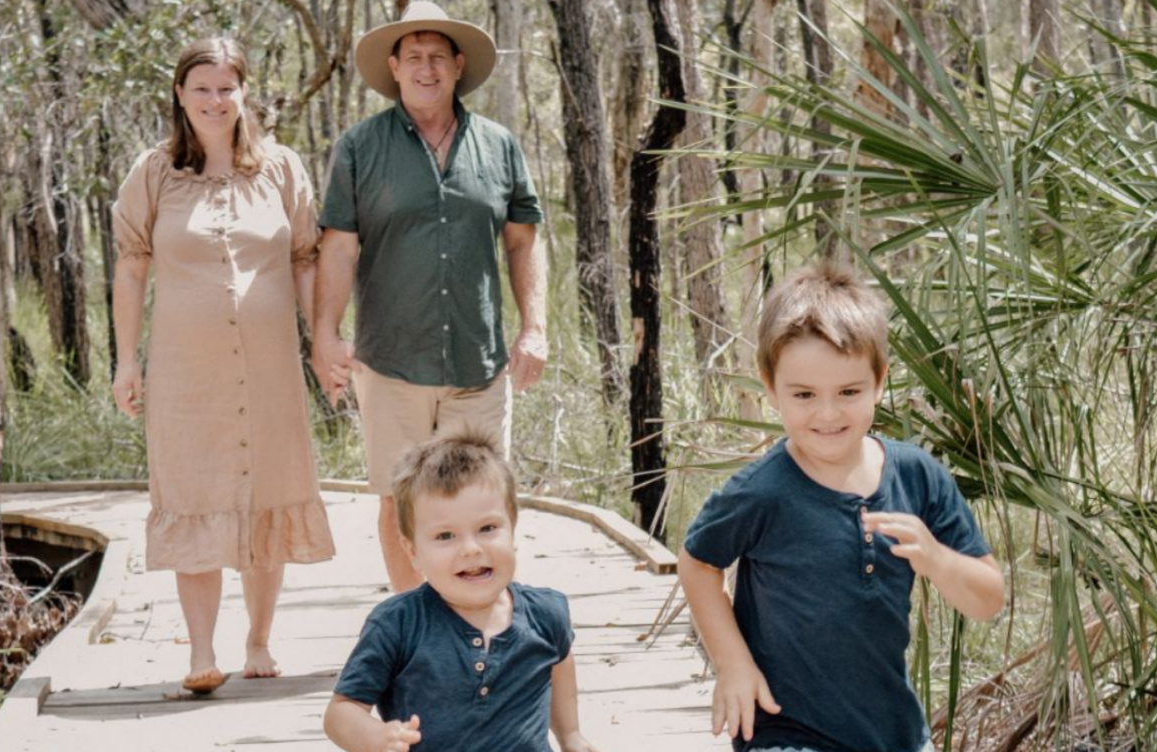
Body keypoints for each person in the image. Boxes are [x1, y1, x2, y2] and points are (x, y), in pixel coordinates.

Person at [677, 260, 1007, 752]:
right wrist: (733, 664)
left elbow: (989, 599)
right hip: (783, 729)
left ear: (879, 381)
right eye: (805, 394)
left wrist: (936, 558)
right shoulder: (763, 491)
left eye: (849, 392)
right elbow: (698, 560)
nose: (828, 413)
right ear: (771, 388)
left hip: (891, 731)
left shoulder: (917, 475)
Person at [110, 37, 336, 695]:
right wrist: (127, 362)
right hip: (186, 371)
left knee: (267, 492)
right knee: (193, 494)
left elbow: (304, 258)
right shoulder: (153, 173)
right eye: (201, 88)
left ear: (245, 95)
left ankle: (259, 641)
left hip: (269, 367)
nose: (215, 100)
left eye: (226, 88)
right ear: (180, 95)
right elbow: (130, 266)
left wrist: (324, 340)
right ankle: (202, 651)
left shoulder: (281, 169)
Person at [310, 1, 548, 595]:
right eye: (413, 56)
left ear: (457, 65)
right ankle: (413, 625)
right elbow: (338, 248)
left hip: (478, 359)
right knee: (400, 502)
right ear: (393, 67)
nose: (426, 68)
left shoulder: (498, 146)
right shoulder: (360, 147)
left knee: (483, 496)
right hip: (391, 359)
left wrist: (534, 327)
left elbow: (523, 242)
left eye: (437, 56)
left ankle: (483, 621)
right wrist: (324, 334)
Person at [323, 434, 597, 752]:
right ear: (412, 551)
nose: (470, 548)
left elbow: (560, 662)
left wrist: (570, 734)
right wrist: (374, 737)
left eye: (487, 528)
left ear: (513, 530)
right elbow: (341, 712)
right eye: (445, 536)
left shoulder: (546, 613)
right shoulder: (397, 625)